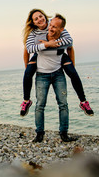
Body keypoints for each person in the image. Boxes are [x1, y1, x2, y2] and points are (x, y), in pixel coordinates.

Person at [20, 9, 94, 117]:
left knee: (73, 73)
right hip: (41, 54)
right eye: (36, 19)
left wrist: (54, 44)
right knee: (27, 73)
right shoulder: (33, 33)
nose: (40, 19)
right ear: (33, 22)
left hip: (59, 54)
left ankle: (83, 102)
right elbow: (29, 49)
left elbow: (70, 42)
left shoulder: (54, 23)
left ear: (44, 16)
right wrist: (46, 45)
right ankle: (26, 101)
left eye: (41, 16)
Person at [32, 14, 77, 142]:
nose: (51, 28)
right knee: (40, 105)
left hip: (58, 74)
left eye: (54, 26)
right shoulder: (38, 36)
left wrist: (72, 67)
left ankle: (64, 133)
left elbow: (70, 46)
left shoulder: (63, 38)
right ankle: (39, 134)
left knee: (63, 104)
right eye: (50, 24)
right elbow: (27, 48)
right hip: (41, 75)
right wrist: (28, 68)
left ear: (61, 29)